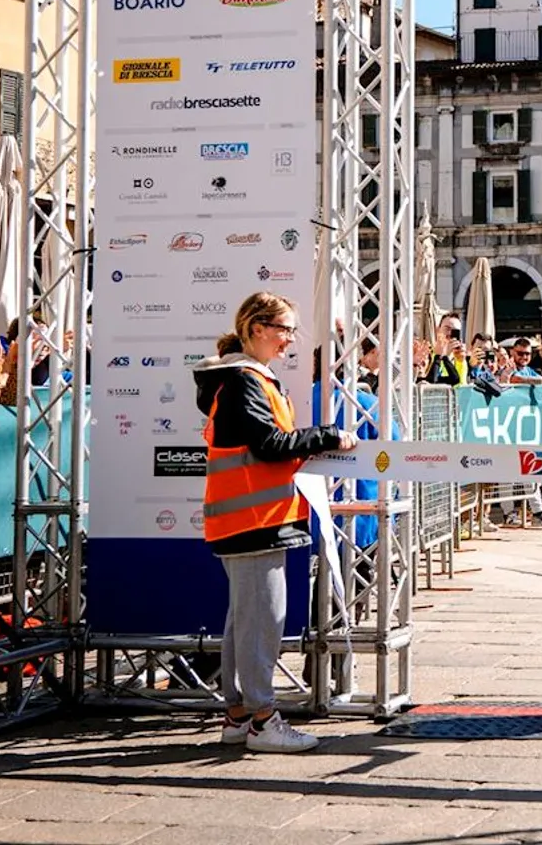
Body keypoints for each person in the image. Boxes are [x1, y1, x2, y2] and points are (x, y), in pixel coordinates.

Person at [197, 292, 357, 754]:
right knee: (261, 623)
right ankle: (263, 721)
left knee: (243, 623)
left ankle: (239, 715)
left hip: (247, 516)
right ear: (257, 328)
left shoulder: (242, 378)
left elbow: (264, 443)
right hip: (253, 517)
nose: (291, 338)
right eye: (284, 328)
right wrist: (325, 436)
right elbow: (270, 443)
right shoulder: (245, 380)